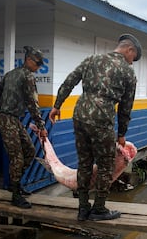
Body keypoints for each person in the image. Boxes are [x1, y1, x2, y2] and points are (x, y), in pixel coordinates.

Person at [49, 34, 141, 221]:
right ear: (129, 50)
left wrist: (57, 105)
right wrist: (122, 134)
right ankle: (99, 209)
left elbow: (69, 82)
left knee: (84, 163)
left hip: (80, 114)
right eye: (133, 58)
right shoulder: (128, 72)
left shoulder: (92, 59)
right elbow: (125, 107)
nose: (132, 63)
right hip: (101, 118)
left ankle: (83, 208)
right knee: (106, 165)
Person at [0, 46, 48, 209]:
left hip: (12, 119)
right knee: (17, 157)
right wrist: (41, 126)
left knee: (29, 151)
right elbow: (32, 103)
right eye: (37, 64)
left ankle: (14, 183)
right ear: (29, 60)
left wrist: (1, 111)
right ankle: (16, 195)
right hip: (8, 119)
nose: (38, 68)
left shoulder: (10, 74)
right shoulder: (27, 76)